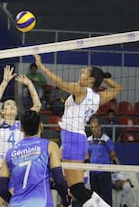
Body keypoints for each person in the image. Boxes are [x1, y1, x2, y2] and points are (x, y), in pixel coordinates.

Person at [34, 53, 122, 206]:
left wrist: (41, 66)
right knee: (75, 189)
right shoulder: (97, 97)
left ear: (91, 80)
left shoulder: (82, 90)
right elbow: (118, 88)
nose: (80, 71)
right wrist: (103, 77)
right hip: (75, 139)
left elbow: (60, 83)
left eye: (84, 71)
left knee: (76, 189)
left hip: (73, 139)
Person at [0, 65, 41, 207]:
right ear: (3, 112)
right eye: (7, 105)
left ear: (17, 111)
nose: (10, 106)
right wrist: (5, 82)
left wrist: (30, 84)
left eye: (13, 105)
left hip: (17, 169)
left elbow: (37, 105)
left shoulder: (23, 124)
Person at [0, 110, 70, 207]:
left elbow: (1, 189)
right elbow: (59, 181)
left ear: (21, 129)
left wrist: (14, 202)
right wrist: (65, 201)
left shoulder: (9, 153)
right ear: (41, 126)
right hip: (41, 203)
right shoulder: (50, 146)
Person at [86, 116, 120, 206]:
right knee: (94, 196)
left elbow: (112, 154)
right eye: (92, 127)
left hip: (104, 172)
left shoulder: (106, 139)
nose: (94, 129)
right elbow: (87, 155)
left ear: (100, 127)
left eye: (96, 127)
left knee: (106, 197)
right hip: (93, 173)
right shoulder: (88, 140)